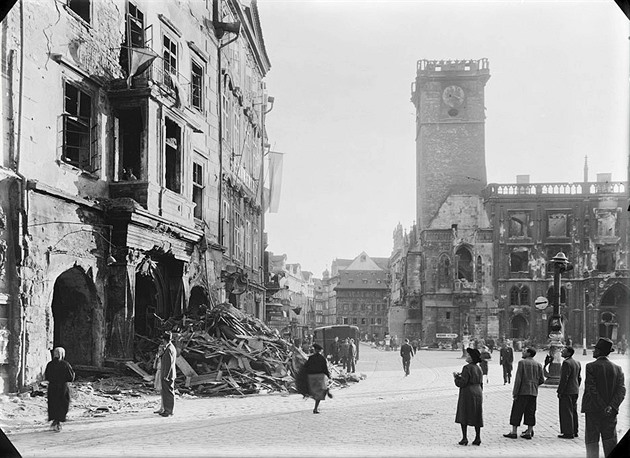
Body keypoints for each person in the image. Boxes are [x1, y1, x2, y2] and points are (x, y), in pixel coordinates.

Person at [581, 337, 626, 458]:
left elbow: (591, 389)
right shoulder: (618, 368)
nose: (593, 351)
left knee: (592, 440)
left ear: (599, 351)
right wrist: (611, 406)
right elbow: (621, 390)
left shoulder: (591, 367)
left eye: (595, 349)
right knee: (610, 439)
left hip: (593, 410)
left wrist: (603, 406)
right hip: (610, 412)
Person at [503, 347, 544, 440]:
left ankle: (514, 431)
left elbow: (519, 379)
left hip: (522, 391)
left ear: (529, 353)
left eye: (525, 351)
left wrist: (515, 392)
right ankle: (529, 432)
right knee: (531, 411)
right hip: (533, 392)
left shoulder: (522, 363)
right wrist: (534, 384)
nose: (523, 352)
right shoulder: (538, 364)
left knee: (517, 411)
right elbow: (542, 379)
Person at [454, 348, 484, 446]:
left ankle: (464, 438)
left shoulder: (466, 368)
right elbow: (480, 381)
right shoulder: (479, 368)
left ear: (471, 358)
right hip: (478, 392)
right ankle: (477, 437)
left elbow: (463, 383)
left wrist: (456, 378)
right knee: (477, 415)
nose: (467, 357)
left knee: (464, 414)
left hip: (468, 393)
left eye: (468, 355)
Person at [45, 347, 75, 432]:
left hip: (52, 387)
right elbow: (71, 377)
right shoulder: (65, 364)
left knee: (53, 403)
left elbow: (47, 376)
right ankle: (58, 422)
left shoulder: (50, 364)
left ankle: (54, 421)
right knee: (62, 403)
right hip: (62, 387)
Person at [557, 346, 581, 439]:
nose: (562, 352)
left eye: (564, 351)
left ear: (569, 353)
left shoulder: (566, 363)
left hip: (567, 391)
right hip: (575, 390)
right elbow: (579, 378)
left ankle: (568, 432)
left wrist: (560, 391)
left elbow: (564, 379)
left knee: (566, 411)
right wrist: (576, 387)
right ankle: (575, 430)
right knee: (573, 411)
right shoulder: (577, 362)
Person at [303, 343, 332, 413]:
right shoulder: (322, 358)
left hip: (311, 377)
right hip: (320, 377)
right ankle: (315, 408)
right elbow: (325, 368)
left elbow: (305, 367)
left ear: (315, 350)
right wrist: (328, 375)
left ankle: (321, 393)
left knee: (313, 391)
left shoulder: (311, 358)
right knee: (320, 392)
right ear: (320, 351)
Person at [159, 331, 177, 417]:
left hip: (168, 375)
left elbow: (169, 364)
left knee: (168, 392)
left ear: (164, 339)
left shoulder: (169, 349)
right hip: (167, 374)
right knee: (166, 392)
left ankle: (169, 410)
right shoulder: (170, 347)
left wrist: (166, 376)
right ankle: (167, 409)